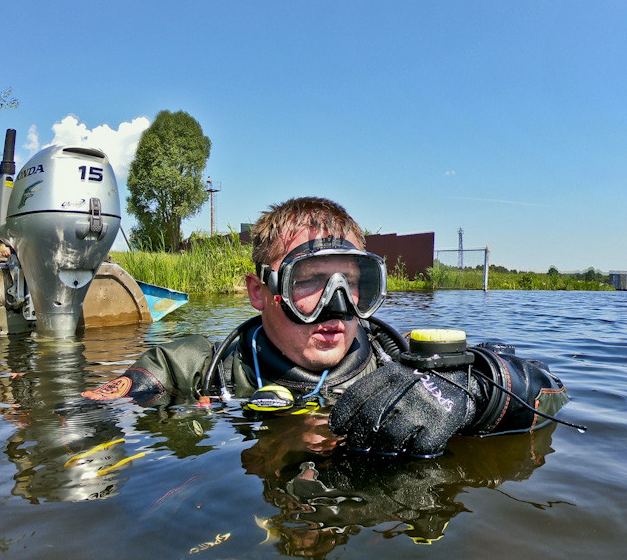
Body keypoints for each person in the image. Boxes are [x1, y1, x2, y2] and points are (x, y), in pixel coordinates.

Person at [84, 196, 572, 458]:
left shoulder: (397, 364)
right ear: (260, 292)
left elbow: (551, 393)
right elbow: (86, 412)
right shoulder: (195, 368)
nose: (338, 307)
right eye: (310, 281)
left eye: (353, 283)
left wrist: (467, 392)